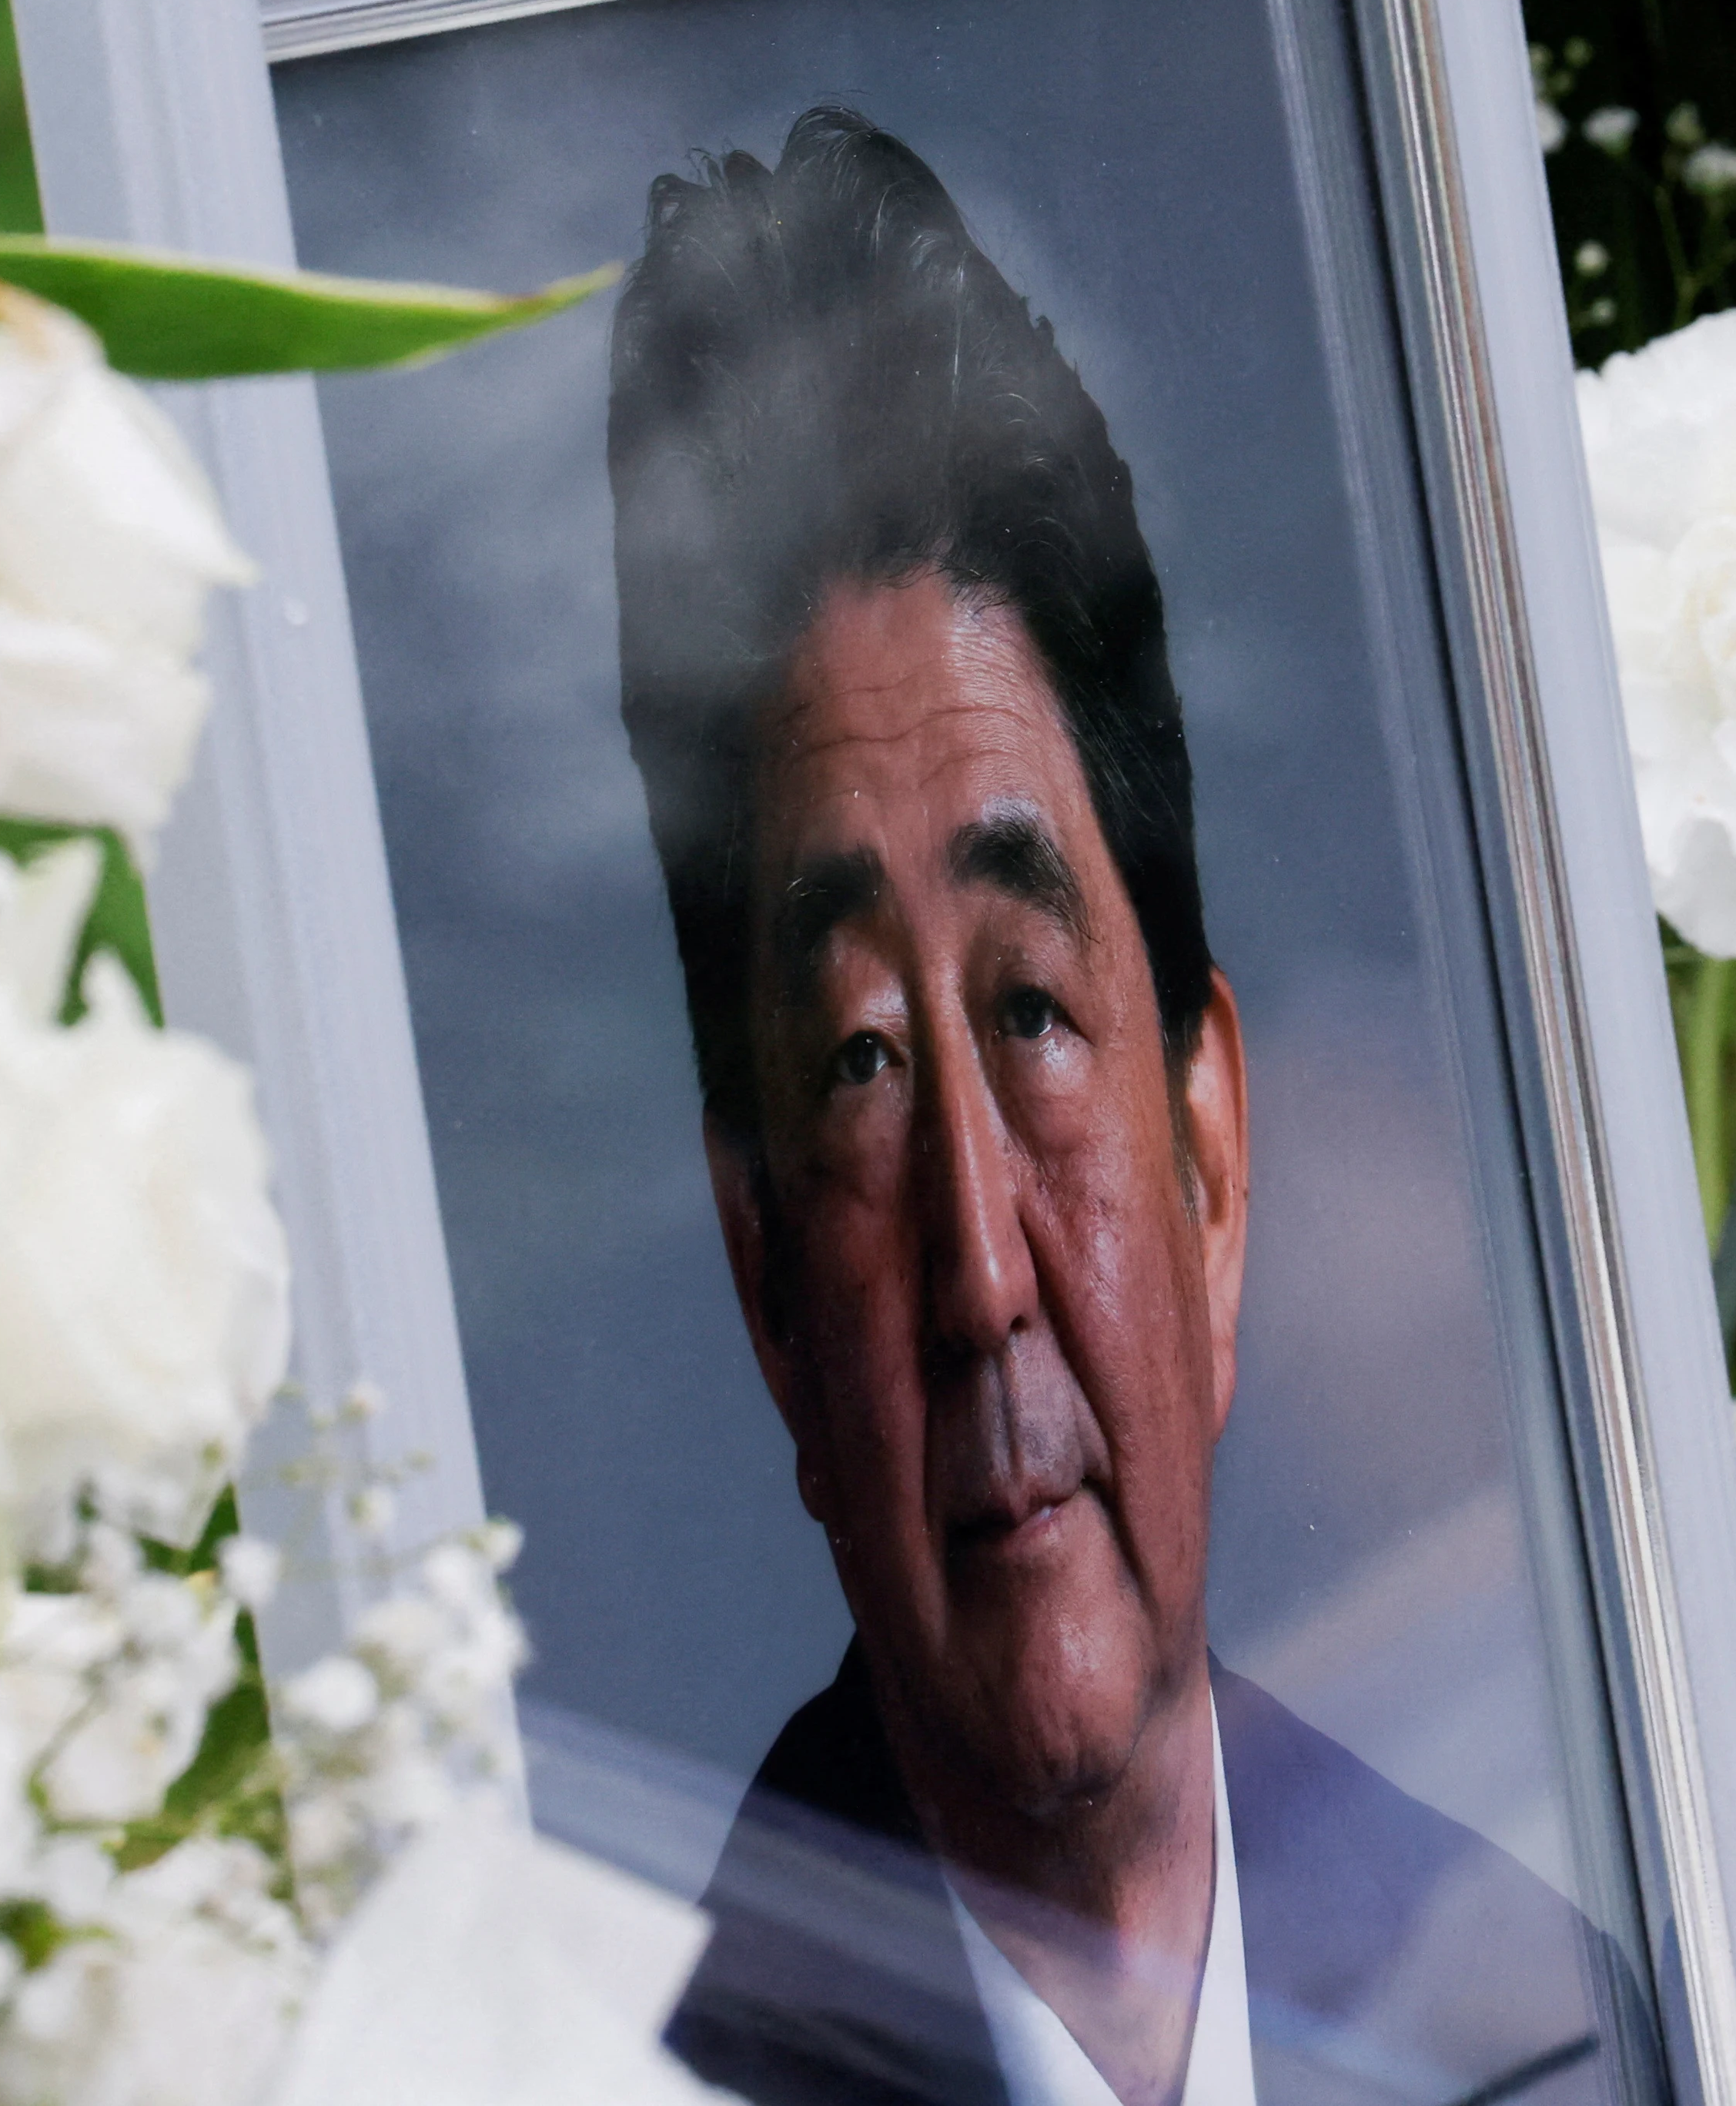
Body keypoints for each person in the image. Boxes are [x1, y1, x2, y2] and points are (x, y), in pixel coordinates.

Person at [604, 107, 1656, 2106]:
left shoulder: (1569, 2001)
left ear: (1216, 1152)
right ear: (761, 1283)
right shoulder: (634, 2059)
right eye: (860, 1063)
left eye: (1029, 1013)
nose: (978, 1268)